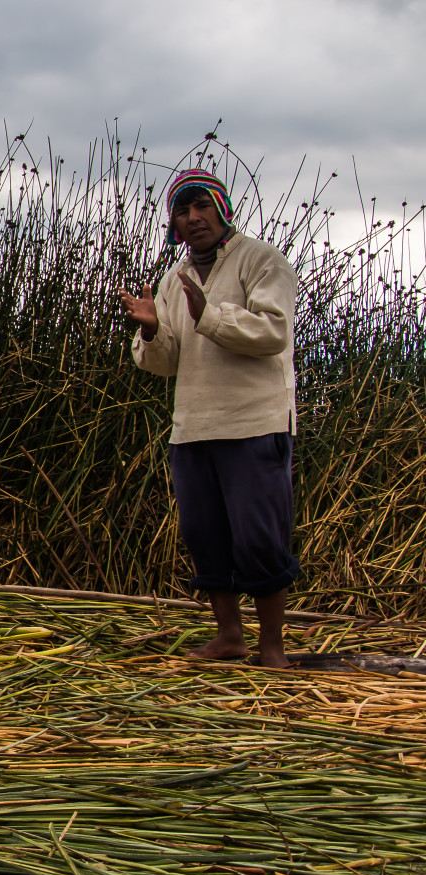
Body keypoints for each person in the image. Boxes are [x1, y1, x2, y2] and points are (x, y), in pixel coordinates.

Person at [121, 168, 299, 668]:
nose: (194, 218)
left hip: (254, 423)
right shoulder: (174, 278)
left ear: (221, 209)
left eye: (202, 206)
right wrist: (155, 329)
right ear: (174, 223)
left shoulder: (262, 260)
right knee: (204, 533)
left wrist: (210, 315)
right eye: (183, 210)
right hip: (194, 425)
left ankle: (272, 647)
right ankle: (229, 637)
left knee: (259, 538)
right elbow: (165, 363)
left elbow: (272, 333)